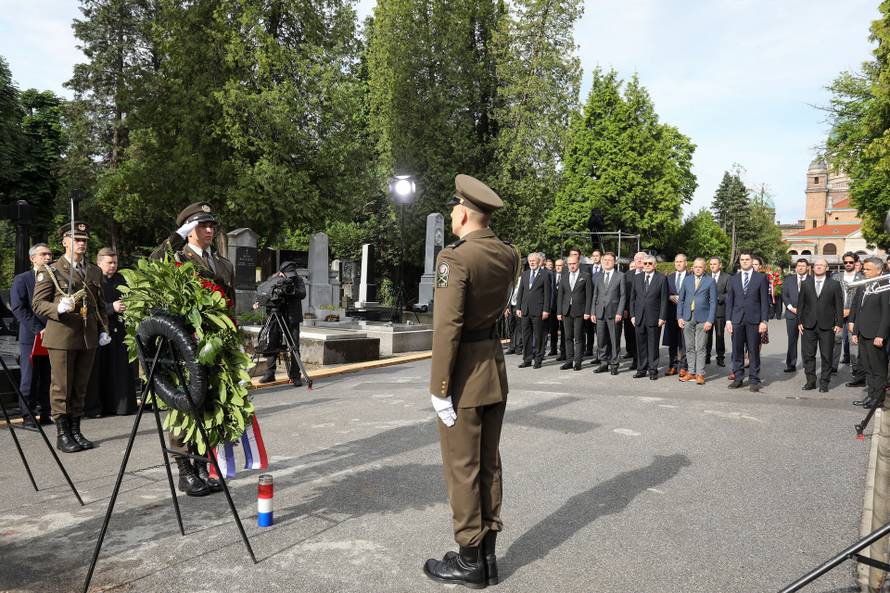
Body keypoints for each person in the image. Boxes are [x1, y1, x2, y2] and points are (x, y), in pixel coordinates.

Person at [424, 174, 521, 589]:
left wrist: (439, 388)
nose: (451, 215)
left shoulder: (455, 258)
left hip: (464, 376)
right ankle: (488, 556)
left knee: (462, 468)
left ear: (464, 213)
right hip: (494, 370)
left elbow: (447, 329)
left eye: (453, 209)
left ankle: (469, 561)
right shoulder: (509, 254)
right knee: (488, 464)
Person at [151, 202, 234, 496]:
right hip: (184, 347)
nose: (209, 230)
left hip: (215, 345)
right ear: (188, 230)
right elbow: (153, 263)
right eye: (202, 225)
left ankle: (201, 467)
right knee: (184, 406)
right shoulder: (175, 258)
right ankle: (185, 471)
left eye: (212, 225)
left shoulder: (223, 264)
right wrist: (176, 237)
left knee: (207, 405)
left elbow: (230, 305)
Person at [32, 222, 110, 453]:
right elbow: (38, 303)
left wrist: (103, 328)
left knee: (80, 386)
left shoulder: (94, 271)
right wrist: (57, 308)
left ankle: (75, 430)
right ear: (65, 242)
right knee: (62, 387)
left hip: (88, 336)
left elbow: (99, 304)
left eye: (84, 240)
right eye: (76, 239)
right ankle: (62, 433)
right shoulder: (51, 270)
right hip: (63, 336)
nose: (81, 243)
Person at [86, 248, 138, 416]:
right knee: (98, 371)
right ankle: (96, 408)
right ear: (99, 263)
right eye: (109, 262)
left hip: (120, 330)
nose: (113, 266)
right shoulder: (92, 281)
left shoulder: (122, 280)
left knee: (120, 370)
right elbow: (88, 307)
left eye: (115, 262)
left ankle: (121, 406)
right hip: (99, 330)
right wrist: (111, 308)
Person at [11, 243, 53, 427]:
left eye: (50, 254)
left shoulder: (55, 278)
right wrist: (38, 329)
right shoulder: (23, 279)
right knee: (29, 377)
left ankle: (46, 413)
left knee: (48, 377)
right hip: (31, 337)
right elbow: (18, 308)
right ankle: (28, 416)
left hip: (53, 334)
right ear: (32, 258)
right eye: (43, 254)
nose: (48, 257)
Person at [254, 261, 307, 384]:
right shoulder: (274, 279)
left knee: (294, 346)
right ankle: (270, 373)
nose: (290, 276)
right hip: (276, 315)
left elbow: (302, 293)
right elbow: (266, 292)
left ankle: (295, 375)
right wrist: (260, 301)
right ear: (281, 272)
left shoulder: (298, 280)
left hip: (292, 317)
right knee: (272, 344)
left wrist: (289, 289)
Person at [796, 257, 844, 392]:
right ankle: (810, 381)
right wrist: (799, 321)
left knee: (826, 356)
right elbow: (801, 304)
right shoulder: (805, 283)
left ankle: (824, 383)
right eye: (816, 265)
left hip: (827, 326)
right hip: (808, 325)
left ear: (827, 268)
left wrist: (839, 323)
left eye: (822, 265)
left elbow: (839, 305)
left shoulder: (834, 284)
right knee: (808, 355)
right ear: (813, 267)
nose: (818, 267)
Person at [849, 257, 890, 409]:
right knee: (868, 367)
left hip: (875, 334)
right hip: (863, 333)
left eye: (868, 269)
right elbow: (860, 310)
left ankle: (878, 399)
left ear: (879, 270)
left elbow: (887, 313)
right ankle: (871, 396)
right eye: (864, 269)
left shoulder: (885, 286)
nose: (864, 271)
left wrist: (881, 335)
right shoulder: (864, 285)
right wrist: (855, 332)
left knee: (878, 369)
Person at [725, 252, 770, 392]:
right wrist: (728, 320)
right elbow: (730, 301)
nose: (744, 261)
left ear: (752, 261)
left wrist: (764, 321)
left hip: (754, 320)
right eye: (742, 259)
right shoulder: (734, 279)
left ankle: (754, 380)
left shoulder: (761, 278)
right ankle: (738, 378)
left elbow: (764, 301)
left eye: (747, 259)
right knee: (737, 350)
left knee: (753, 351)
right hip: (737, 320)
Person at [677, 257, 716, 385]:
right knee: (689, 346)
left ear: (705, 268)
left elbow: (713, 302)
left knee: (701, 347)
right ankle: (691, 372)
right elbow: (681, 300)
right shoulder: (687, 280)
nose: (697, 269)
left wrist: (710, 320)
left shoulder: (710, 281)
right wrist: (679, 317)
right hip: (687, 317)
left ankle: (700, 374)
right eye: (695, 267)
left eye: (700, 267)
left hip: (703, 318)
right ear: (692, 267)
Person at [630, 254, 667, 380]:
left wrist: (662, 317)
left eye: (650, 263)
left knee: (653, 345)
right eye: (645, 263)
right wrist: (632, 315)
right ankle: (641, 369)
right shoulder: (637, 278)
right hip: (639, 317)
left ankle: (653, 370)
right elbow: (632, 299)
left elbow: (664, 300)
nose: (647, 265)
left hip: (654, 317)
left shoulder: (661, 278)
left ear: (655, 265)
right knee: (640, 345)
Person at [591, 252, 625, 375]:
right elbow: (595, 295)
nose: (607, 262)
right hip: (600, 312)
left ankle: (614, 364)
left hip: (614, 313)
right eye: (605, 260)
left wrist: (620, 312)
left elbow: (623, 296)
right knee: (601, 340)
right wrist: (593, 312)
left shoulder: (620, 276)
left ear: (614, 262)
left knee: (614, 340)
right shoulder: (598, 276)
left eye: (609, 260)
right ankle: (603, 363)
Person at [515, 253, 551, 369]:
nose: (531, 262)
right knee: (526, 336)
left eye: (534, 260)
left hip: (538, 310)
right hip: (525, 310)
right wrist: (518, 307)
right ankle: (527, 359)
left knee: (538, 336)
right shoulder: (525, 274)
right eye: (530, 260)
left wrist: (546, 310)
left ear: (539, 262)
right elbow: (521, 292)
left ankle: (538, 359)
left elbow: (548, 294)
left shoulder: (545, 274)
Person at [557, 253, 591, 371]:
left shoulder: (585, 276)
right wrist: (559, 312)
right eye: (570, 264)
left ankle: (577, 362)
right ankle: (569, 360)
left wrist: (587, 311)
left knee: (578, 337)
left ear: (578, 263)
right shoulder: (564, 277)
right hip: (566, 311)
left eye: (574, 263)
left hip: (580, 311)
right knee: (568, 337)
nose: (572, 266)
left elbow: (589, 295)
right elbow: (560, 296)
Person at [832, 252, 863, 373]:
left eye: (851, 262)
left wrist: (850, 310)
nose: (848, 264)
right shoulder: (835, 277)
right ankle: (833, 367)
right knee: (836, 340)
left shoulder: (862, 278)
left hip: (854, 315)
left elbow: (862, 298)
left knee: (853, 341)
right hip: (837, 314)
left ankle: (855, 368)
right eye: (846, 262)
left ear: (855, 263)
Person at [782, 258, 809, 373]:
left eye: (803, 266)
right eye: (799, 266)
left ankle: (807, 364)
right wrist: (791, 308)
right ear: (796, 267)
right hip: (791, 314)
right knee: (792, 340)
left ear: (807, 267)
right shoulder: (789, 280)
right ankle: (791, 364)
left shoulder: (812, 280)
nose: (801, 268)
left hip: (807, 316)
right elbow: (784, 295)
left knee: (807, 341)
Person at [664, 253, 688, 377]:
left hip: (685, 314)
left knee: (684, 341)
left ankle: (683, 366)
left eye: (681, 261)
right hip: (671, 313)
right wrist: (670, 297)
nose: (678, 264)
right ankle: (672, 366)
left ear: (686, 263)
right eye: (676, 261)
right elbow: (664, 293)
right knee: (672, 341)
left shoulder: (691, 277)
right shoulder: (669, 277)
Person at [705, 256, 730, 367]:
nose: (712, 266)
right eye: (711, 264)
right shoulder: (706, 276)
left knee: (720, 335)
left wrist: (719, 297)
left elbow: (729, 294)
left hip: (720, 311)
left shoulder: (727, 277)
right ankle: (706, 356)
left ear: (720, 265)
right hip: (707, 312)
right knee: (707, 335)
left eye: (714, 264)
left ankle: (720, 357)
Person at [623, 252, 645, 369]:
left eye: (642, 258)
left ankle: (646, 361)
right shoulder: (627, 275)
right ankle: (636, 360)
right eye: (637, 259)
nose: (639, 260)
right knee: (632, 337)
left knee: (645, 338)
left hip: (647, 312)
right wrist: (625, 309)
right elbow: (624, 294)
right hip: (631, 311)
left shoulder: (650, 273)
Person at [544, 257, 559, 356]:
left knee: (557, 329)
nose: (550, 266)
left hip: (559, 306)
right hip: (551, 306)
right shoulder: (547, 274)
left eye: (551, 265)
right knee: (550, 329)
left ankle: (558, 349)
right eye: (548, 265)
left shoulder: (555, 274)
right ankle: (551, 349)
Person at [553, 258, 567, 361]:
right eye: (556, 265)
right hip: (553, 307)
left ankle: (563, 352)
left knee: (564, 331)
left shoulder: (566, 276)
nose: (558, 267)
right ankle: (553, 349)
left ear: (564, 266)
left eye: (560, 265)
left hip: (563, 308)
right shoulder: (551, 276)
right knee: (553, 330)